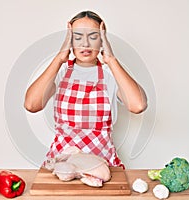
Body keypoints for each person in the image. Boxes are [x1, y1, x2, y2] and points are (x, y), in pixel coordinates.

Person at [24, 11, 147, 168]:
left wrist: (111, 59)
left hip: (103, 165)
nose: (85, 44)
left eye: (93, 36)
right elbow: (31, 105)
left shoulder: (111, 74)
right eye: (78, 37)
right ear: (69, 41)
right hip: (62, 165)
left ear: (102, 41)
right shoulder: (59, 72)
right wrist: (60, 57)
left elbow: (138, 105)